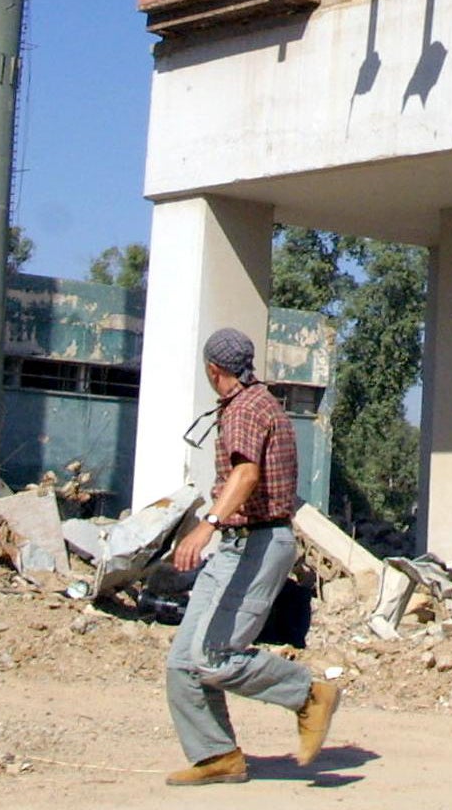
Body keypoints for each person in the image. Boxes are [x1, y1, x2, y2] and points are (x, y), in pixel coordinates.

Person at [162, 327, 341, 787]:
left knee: (214, 656)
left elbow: (246, 473)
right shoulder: (257, 402)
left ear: (213, 369)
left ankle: (309, 694)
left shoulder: (244, 409)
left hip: (256, 544)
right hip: (241, 545)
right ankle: (217, 755)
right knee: (184, 661)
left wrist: (208, 525)